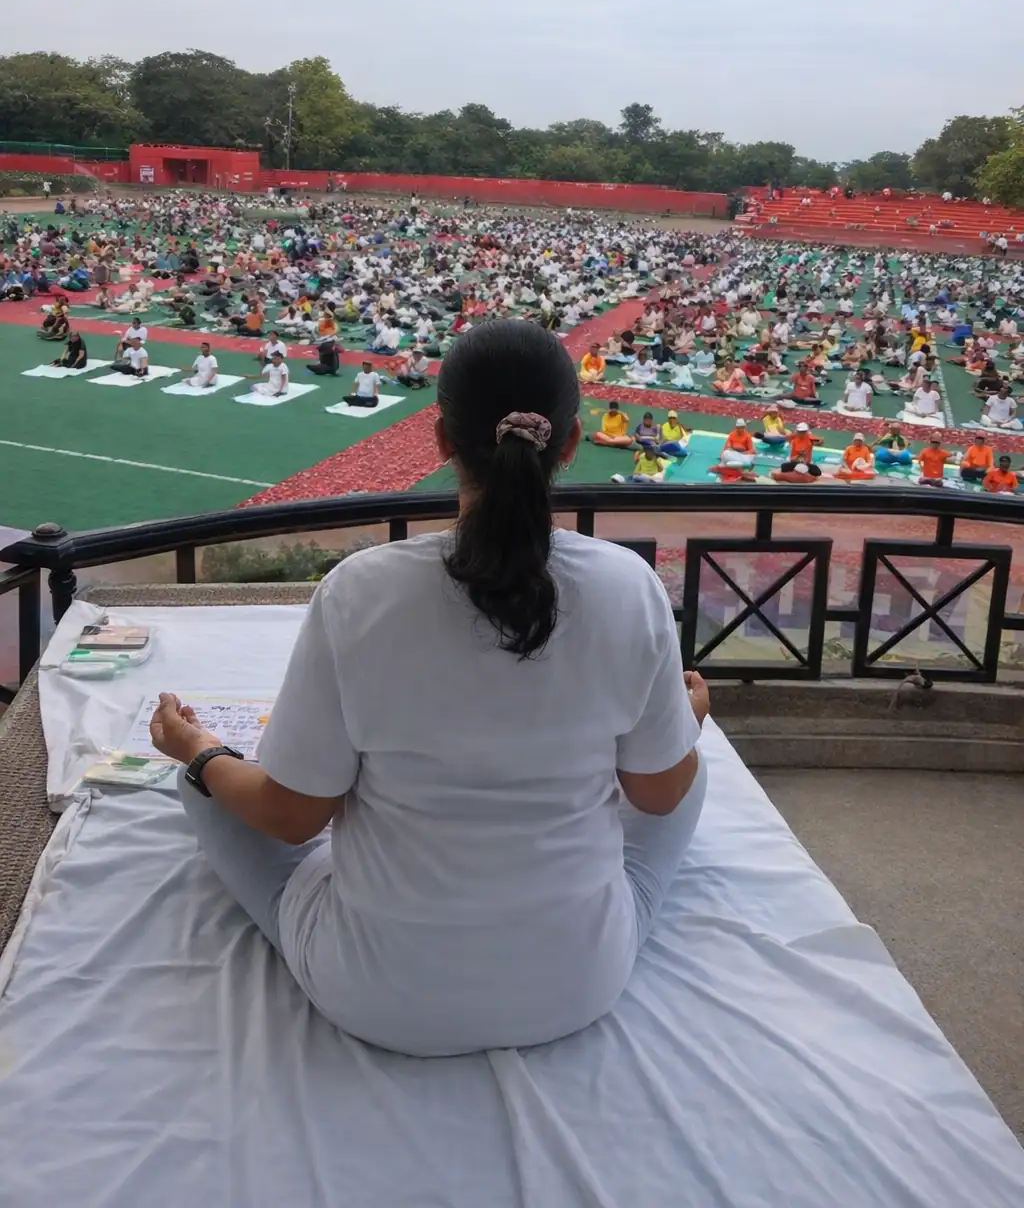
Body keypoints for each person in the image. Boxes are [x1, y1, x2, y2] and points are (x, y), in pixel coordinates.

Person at [151, 319, 709, 1057]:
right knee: (689, 766)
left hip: (378, 994)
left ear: (441, 439)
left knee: (204, 785)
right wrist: (683, 718)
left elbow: (291, 818)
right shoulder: (628, 586)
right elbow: (659, 795)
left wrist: (197, 749)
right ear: (570, 445)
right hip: (577, 982)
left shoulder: (360, 592)